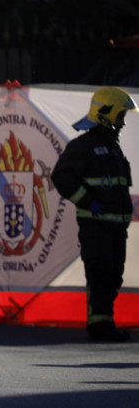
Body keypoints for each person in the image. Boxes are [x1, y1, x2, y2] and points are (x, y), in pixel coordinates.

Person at [51, 86, 137, 342]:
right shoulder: (84, 146)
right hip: (96, 226)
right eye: (120, 116)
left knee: (113, 275)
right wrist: (88, 202)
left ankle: (105, 321)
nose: (122, 122)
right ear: (106, 114)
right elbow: (61, 176)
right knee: (99, 273)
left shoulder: (113, 148)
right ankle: (99, 326)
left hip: (116, 227)